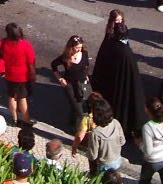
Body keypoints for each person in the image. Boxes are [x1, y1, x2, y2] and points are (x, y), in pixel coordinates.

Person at [91, 10, 146, 139]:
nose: (119, 23)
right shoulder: (111, 39)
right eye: (117, 21)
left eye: (121, 21)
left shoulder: (121, 40)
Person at [0, 22, 36, 126]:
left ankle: (15, 118)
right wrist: (33, 75)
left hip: (9, 75)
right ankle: (26, 119)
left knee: (12, 97)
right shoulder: (25, 45)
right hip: (23, 76)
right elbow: (31, 63)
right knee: (22, 98)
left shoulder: (2, 43)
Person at [51, 35, 90, 131]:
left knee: (79, 104)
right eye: (77, 47)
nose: (79, 49)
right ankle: (80, 131)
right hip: (70, 85)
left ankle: (71, 121)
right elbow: (53, 65)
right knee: (79, 110)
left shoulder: (84, 54)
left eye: (80, 47)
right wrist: (60, 79)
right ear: (71, 47)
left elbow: (86, 66)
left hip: (81, 83)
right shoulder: (65, 57)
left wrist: (86, 75)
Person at [135, 97, 163, 184]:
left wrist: (139, 144)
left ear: (146, 109)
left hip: (152, 161)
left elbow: (148, 151)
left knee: (144, 181)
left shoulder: (148, 127)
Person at [84, 94, 126, 174]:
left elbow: (93, 156)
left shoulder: (95, 133)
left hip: (104, 165)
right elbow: (122, 142)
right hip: (117, 161)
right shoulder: (116, 123)